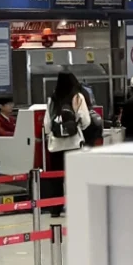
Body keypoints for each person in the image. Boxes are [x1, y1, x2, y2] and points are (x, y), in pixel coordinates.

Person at [43, 71, 90, 217]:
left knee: (56, 178)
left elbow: (47, 124)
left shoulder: (52, 99)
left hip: (56, 146)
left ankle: (55, 209)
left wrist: (53, 134)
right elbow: (86, 120)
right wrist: (77, 128)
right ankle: (75, 207)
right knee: (74, 177)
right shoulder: (77, 97)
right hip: (74, 144)